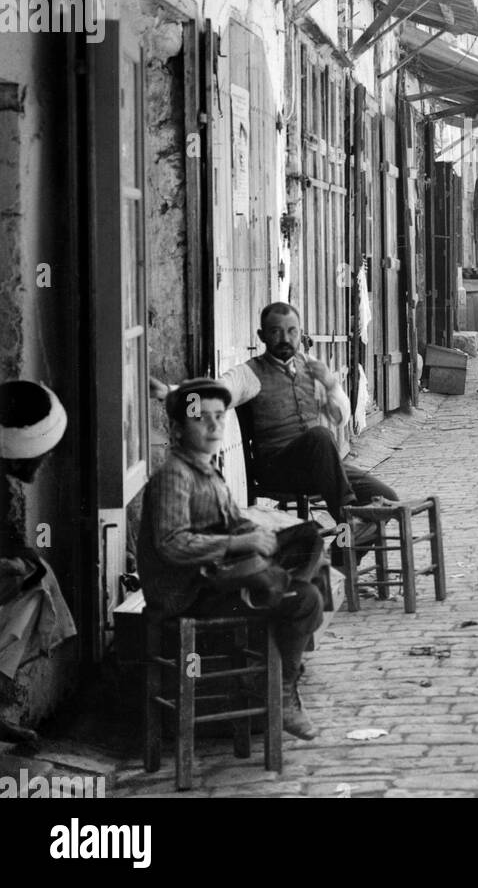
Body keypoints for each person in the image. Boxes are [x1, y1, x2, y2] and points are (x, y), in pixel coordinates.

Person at [137, 378, 324, 740]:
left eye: (220, 416)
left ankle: (267, 662)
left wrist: (264, 536)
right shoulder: (174, 476)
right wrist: (238, 544)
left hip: (213, 578)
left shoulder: (207, 472)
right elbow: (172, 544)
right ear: (177, 429)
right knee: (304, 599)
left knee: (308, 539)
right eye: (200, 418)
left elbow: (232, 523)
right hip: (186, 594)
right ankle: (279, 690)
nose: (213, 425)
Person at [149, 303, 397, 534]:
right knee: (321, 436)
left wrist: (330, 383)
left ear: (301, 333)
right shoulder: (250, 373)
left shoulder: (311, 366)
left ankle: (334, 565)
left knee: (387, 500)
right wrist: (169, 392)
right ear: (262, 335)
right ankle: (346, 516)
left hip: (322, 468)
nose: (285, 339)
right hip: (277, 469)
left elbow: (340, 418)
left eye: (292, 331)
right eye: (276, 332)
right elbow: (213, 391)